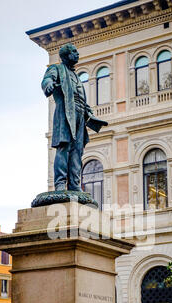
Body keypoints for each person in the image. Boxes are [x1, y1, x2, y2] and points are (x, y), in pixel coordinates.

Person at [41, 43, 108, 192]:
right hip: (65, 113)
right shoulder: (57, 69)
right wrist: (49, 85)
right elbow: (47, 80)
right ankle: (60, 183)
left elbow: (82, 100)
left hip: (79, 116)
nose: (77, 54)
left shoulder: (76, 77)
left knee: (77, 152)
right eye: (74, 52)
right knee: (64, 148)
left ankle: (74, 184)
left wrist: (90, 115)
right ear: (66, 55)